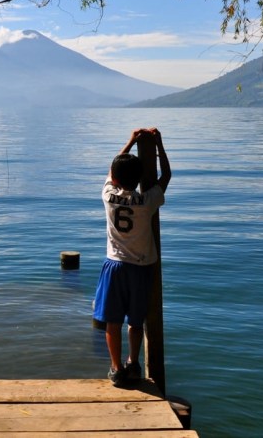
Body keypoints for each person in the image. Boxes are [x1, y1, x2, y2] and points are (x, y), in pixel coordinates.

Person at [92, 127, 171, 387]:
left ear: (114, 178)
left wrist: (130, 141)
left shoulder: (108, 196)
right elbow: (166, 176)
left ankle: (115, 369)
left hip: (114, 266)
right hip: (141, 267)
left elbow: (111, 170)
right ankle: (133, 362)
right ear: (139, 180)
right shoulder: (147, 201)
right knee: (136, 322)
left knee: (112, 322)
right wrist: (158, 145)